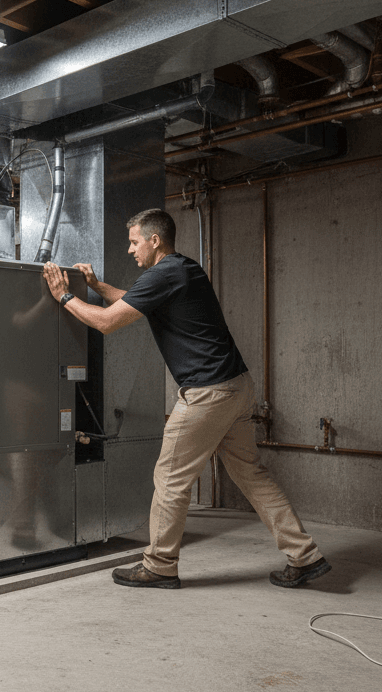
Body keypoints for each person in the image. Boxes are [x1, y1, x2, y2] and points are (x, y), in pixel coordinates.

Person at [43, 208, 330, 591]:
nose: (130, 250)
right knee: (252, 475)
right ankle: (305, 556)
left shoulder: (162, 274)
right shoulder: (182, 269)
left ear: (154, 240)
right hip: (236, 387)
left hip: (208, 393)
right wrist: (97, 285)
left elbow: (108, 322)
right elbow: (134, 304)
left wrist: (63, 296)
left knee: (170, 478)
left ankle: (160, 565)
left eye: (134, 242)